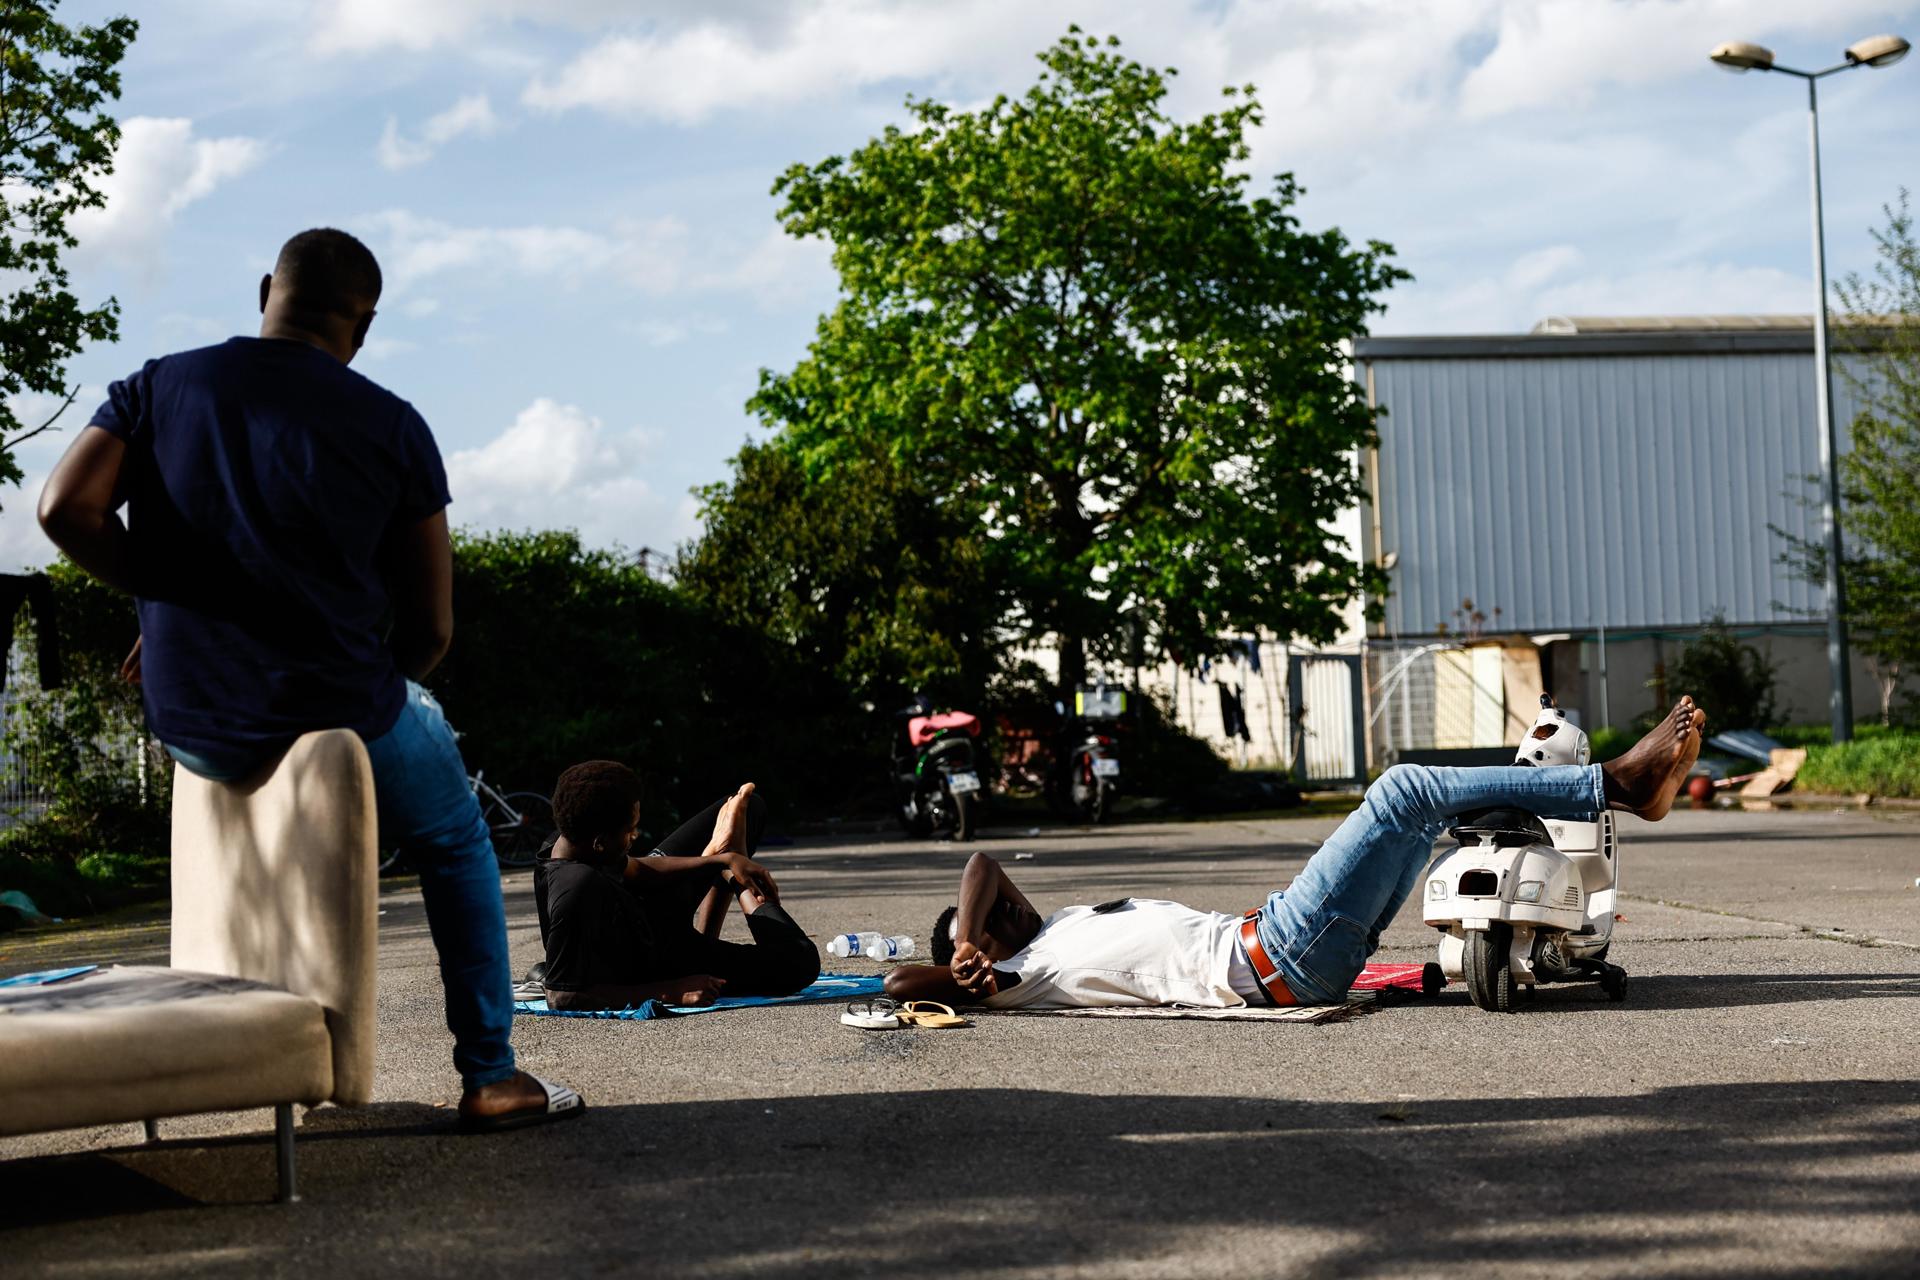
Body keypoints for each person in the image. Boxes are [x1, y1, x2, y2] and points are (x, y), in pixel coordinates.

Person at [36, 228, 582, 1132]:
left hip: (192, 720)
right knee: (455, 839)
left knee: (392, 735)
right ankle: (491, 1074)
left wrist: (173, 605)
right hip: (332, 708)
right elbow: (433, 629)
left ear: (266, 290)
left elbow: (64, 509)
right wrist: (373, 698)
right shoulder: (392, 424)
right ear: (361, 326)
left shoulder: (160, 383)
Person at [885, 699, 1707, 1010]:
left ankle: (1570, 881)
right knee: (1403, 791)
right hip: (1280, 954)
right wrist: (962, 958)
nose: (1009, 907)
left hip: (1282, 940)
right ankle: (1619, 787)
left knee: (1433, 816)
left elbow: (983, 864)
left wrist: (974, 919)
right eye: (1000, 922)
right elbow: (898, 984)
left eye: (999, 911)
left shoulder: (1052, 924)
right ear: (983, 952)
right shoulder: (1026, 976)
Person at [535, 767, 821, 1012]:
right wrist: (670, 991)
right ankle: (737, 888)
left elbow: (637, 869)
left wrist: (723, 860)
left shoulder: (573, 839)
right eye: (631, 830)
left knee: (750, 810)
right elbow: (562, 996)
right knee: (799, 961)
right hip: (657, 961)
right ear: (600, 842)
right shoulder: (574, 888)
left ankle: (726, 856)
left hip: (641, 912)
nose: (636, 836)